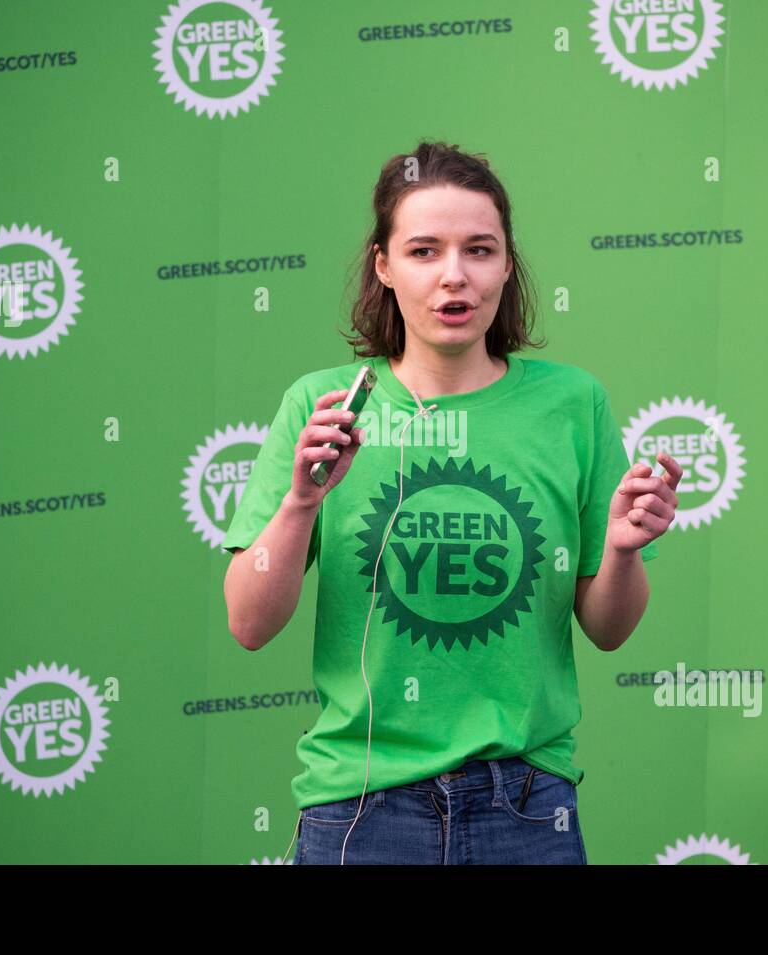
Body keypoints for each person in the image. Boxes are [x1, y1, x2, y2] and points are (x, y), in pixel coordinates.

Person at [221, 140, 680, 865]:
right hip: (361, 808)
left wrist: (622, 550)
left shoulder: (573, 404)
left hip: (528, 806)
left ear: (507, 264)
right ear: (383, 265)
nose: (454, 275)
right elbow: (248, 622)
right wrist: (300, 502)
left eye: (480, 249)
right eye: (425, 250)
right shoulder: (322, 405)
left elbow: (610, 629)